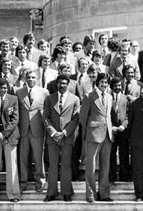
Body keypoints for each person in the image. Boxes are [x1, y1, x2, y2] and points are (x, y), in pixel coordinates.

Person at [43, 74, 80, 202]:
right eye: (60, 83)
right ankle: (51, 192)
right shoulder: (49, 99)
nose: (62, 85)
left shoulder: (74, 99)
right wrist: (53, 133)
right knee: (52, 165)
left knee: (66, 165)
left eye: (65, 83)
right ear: (56, 84)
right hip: (52, 137)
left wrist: (64, 133)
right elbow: (46, 117)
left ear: (68, 84)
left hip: (67, 137)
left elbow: (75, 119)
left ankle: (66, 192)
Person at [79, 72, 114, 203]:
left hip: (107, 134)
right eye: (102, 82)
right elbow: (83, 118)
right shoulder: (89, 96)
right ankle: (91, 194)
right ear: (97, 83)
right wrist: (88, 132)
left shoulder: (110, 97)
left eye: (106, 82)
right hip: (93, 134)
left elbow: (108, 115)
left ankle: (104, 194)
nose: (104, 84)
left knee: (106, 166)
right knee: (91, 166)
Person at [17, 69, 49, 193]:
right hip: (23, 130)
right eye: (28, 77)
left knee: (38, 157)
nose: (31, 79)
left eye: (33, 77)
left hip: (38, 129)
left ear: (37, 78)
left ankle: (40, 182)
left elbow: (46, 112)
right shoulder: (19, 92)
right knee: (23, 158)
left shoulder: (44, 92)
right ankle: (23, 182)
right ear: (25, 78)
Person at [109, 77, 130, 183]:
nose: (118, 87)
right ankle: (111, 177)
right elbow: (106, 114)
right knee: (111, 154)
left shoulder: (126, 98)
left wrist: (124, 125)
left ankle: (124, 177)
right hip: (111, 130)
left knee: (124, 154)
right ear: (111, 87)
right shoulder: (108, 98)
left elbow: (128, 115)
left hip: (123, 130)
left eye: (119, 85)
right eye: (115, 85)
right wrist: (111, 126)